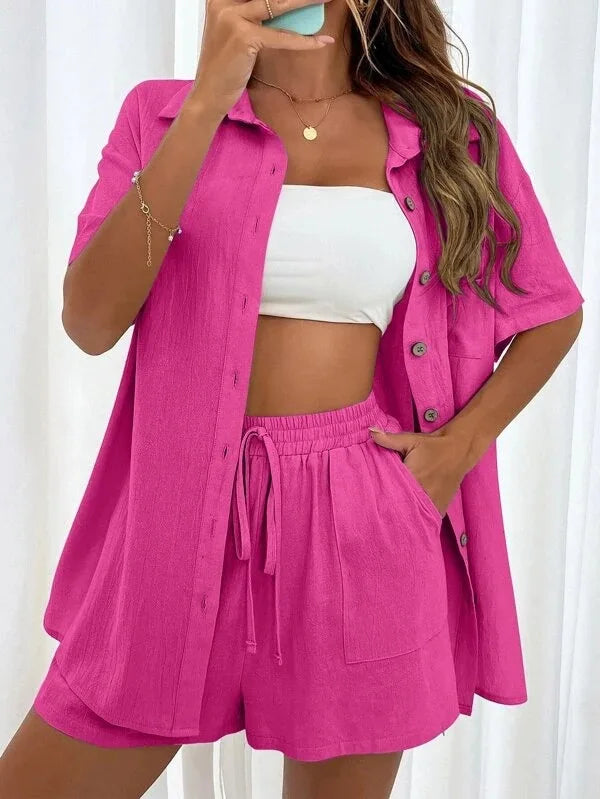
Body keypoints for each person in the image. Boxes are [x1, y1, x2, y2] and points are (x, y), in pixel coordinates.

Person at [0, 0, 585, 795]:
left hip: (363, 519)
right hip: (176, 521)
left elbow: (550, 310)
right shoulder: (160, 113)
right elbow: (91, 320)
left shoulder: (450, 132)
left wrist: (459, 448)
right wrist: (207, 103)